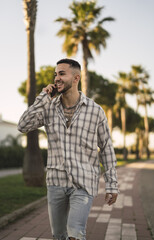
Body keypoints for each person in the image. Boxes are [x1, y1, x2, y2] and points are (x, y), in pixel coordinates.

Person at [18, 58, 119, 240]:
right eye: (55, 74)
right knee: (59, 235)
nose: (57, 78)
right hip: (56, 181)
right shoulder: (48, 107)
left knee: (76, 232)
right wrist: (42, 98)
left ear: (76, 78)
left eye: (62, 74)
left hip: (84, 182)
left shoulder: (95, 111)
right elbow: (23, 125)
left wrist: (112, 184)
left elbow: (106, 148)